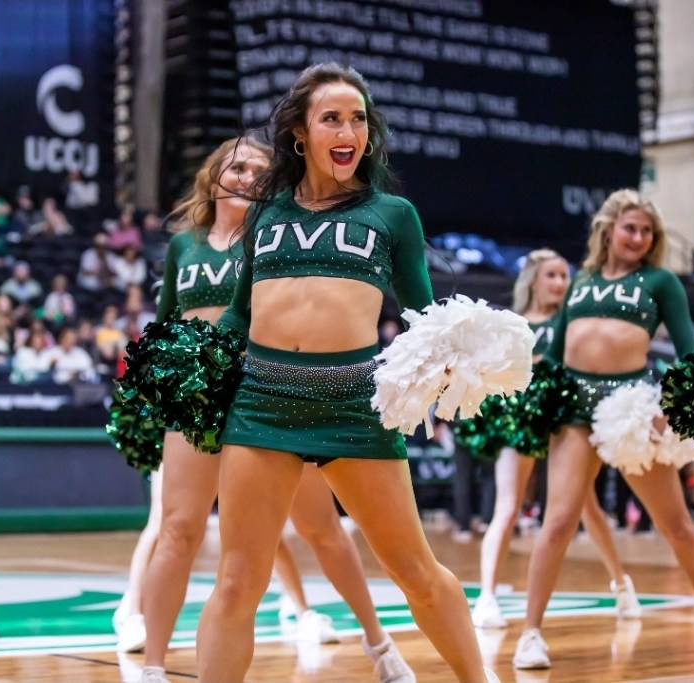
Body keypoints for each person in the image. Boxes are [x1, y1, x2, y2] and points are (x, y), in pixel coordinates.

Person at [194, 63, 497, 683]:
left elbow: (421, 315)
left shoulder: (392, 213)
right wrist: (195, 360)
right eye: (331, 118)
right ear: (301, 133)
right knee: (237, 581)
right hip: (262, 400)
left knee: (414, 570)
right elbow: (241, 311)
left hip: (354, 403)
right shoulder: (266, 214)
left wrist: (451, 359)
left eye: (358, 119)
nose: (348, 131)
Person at [134, 131, 418, 683]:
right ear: (213, 175)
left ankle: (379, 643)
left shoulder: (279, 232)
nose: (246, 177)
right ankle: (152, 666)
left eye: (257, 170)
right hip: (199, 395)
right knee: (178, 529)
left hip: (268, 392)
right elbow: (165, 321)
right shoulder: (184, 246)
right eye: (236, 166)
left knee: (320, 528)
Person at [513, 190, 694, 669]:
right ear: (608, 229)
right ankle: (531, 632)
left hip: (630, 408)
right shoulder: (582, 280)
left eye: (646, 231)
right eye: (630, 228)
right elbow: (556, 353)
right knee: (558, 521)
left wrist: (671, 408)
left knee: (675, 523)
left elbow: (689, 353)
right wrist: (533, 391)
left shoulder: (660, 282)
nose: (638, 238)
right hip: (575, 406)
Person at [472, 249, 642, 629]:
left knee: (587, 507)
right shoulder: (512, 323)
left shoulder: (575, 320)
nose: (560, 282)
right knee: (508, 506)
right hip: (522, 418)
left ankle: (621, 583)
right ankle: (487, 597)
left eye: (565, 276)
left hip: (566, 418)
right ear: (533, 280)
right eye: (552, 275)